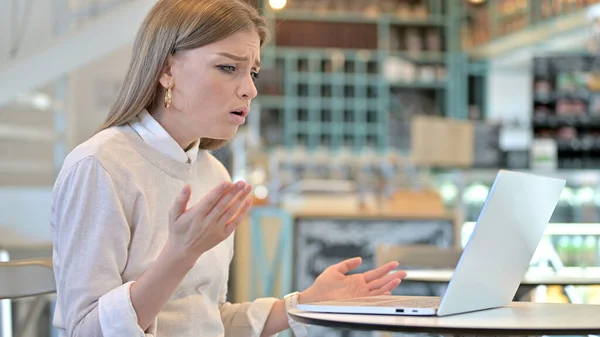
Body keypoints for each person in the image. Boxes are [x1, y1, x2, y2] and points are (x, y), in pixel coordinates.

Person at [49, 0, 408, 336]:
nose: (250, 89)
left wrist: (306, 304)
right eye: (227, 67)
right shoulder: (100, 166)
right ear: (166, 69)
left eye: (252, 72)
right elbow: (85, 329)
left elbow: (210, 318)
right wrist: (179, 254)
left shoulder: (212, 174)